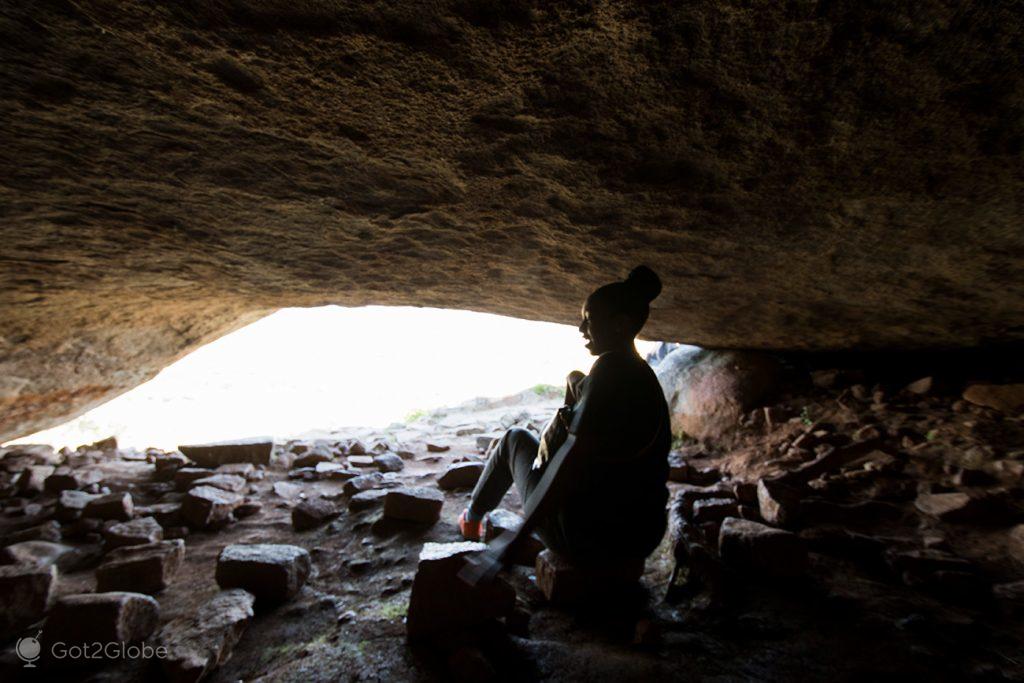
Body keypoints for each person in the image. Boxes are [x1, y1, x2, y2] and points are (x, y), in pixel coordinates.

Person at [457, 265, 671, 570]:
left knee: (514, 439)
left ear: (620, 325)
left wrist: (512, 542)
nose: (582, 329)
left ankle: (472, 519)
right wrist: (574, 383)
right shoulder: (639, 373)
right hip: (641, 536)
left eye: (589, 320)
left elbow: (568, 461)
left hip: (587, 538)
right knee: (571, 384)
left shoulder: (608, 371)